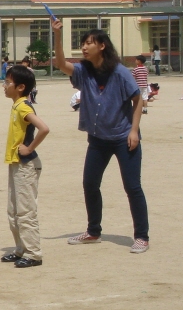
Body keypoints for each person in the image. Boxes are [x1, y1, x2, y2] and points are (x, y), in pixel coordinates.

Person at [52, 19, 149, 254]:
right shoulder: (84, 71)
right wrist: (57, 35)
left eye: (89, 43)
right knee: (90, 183)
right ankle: (93, 231)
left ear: (102, 46)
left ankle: (142, 236)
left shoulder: (120, 72)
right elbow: (61, 63)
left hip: (123, 137)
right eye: (83, 44)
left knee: (132, 186)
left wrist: (134, 131)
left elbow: (138, 100)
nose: (84, 48)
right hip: (98, 139)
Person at [0, 65, 50, 269]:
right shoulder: (16, 105)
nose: (4, 86)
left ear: (20, 87)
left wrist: (29, 148)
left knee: (26, 210)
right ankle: (20, 248)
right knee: (13, 210)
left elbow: (44, 128)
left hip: (26, 166)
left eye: (7, 82)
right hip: (15, 164)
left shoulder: (23, 107)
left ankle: (33, 253)